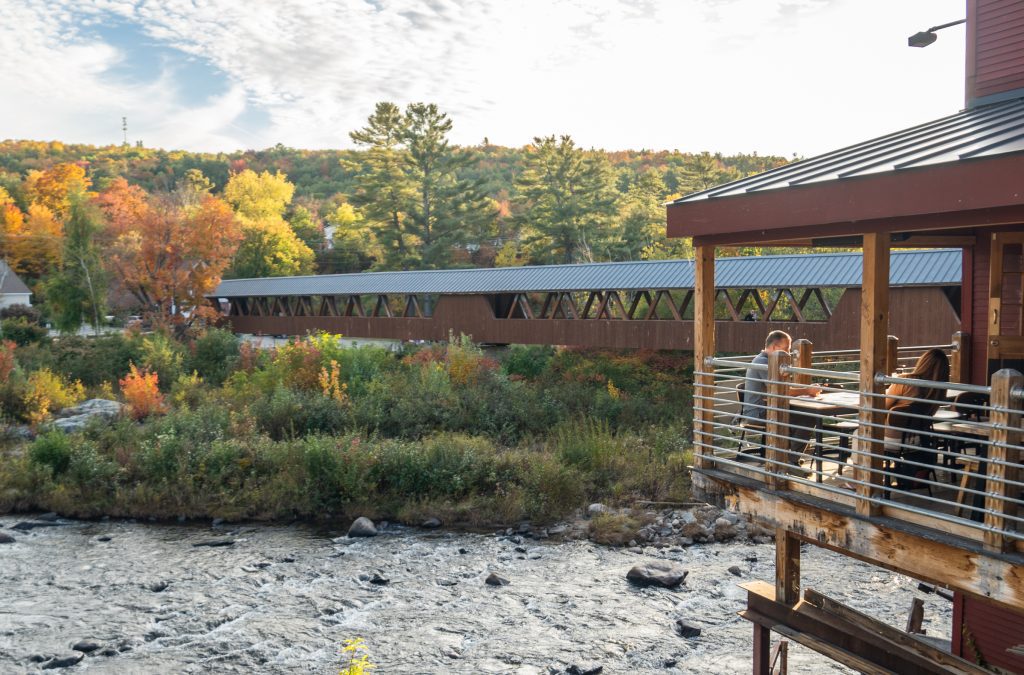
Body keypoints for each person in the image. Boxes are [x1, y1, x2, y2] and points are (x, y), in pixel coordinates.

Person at [741, 331, 821, 468]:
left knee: (801, 416)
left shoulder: (768, 360)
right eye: (786, 349)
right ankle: (791, 460)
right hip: (758, 413)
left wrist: (803, 390)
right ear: (773, 348)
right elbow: (781, 390)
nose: (789, 354)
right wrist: (807, 390)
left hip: (767, 408)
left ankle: (787, 458)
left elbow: (782, 389)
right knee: (807, 417)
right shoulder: (763, 363)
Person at [882, 349, 950, 485]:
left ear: (923, 362)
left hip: (893, 440)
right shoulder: (938, 391)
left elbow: (882, 407)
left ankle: (858, 480)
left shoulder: (906, 381)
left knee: (858, 434)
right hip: (917, 441)